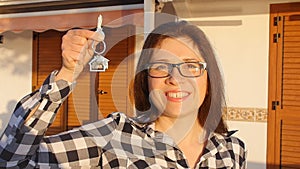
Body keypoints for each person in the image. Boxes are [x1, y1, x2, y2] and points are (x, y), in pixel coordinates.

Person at [0, 21, 246, 168]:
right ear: (146, 79)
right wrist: (68, 72)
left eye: (191, 65)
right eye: (161, 66)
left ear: (208, 76)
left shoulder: (231, 149)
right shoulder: (114, 137)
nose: (176, 78)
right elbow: (11, 162)